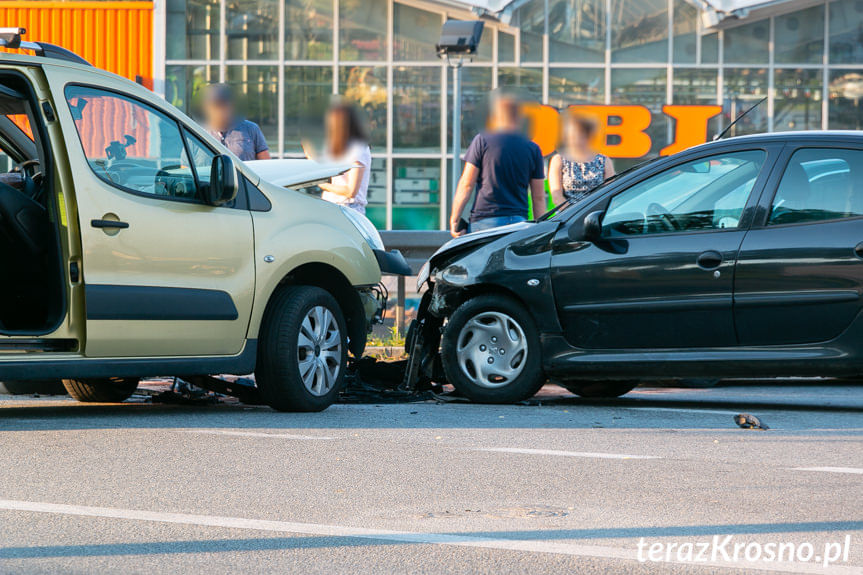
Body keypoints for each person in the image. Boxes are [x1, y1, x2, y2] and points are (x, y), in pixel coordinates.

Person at [449, 92, 546, 237]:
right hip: (518, 222)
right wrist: (541, 232)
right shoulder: (533, 148)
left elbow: (467, 184)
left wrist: (455, 218)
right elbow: (538, 197)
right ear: (519, 118)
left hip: (484, 222)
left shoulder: (482, 141)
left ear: (495, 116)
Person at [304, 102, 371, 214]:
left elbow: (351, 191)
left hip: (347, 208)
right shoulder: (341, 147)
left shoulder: (358, 149)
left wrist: (323, 185)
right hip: (334, 206)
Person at [549, 112, 613, 205]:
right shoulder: (559, 160)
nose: (575, 139)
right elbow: (556, 196)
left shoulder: (604, 161)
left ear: (588, 135)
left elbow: (609, 192)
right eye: (571, 135)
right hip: (567, 215)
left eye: (579, 134)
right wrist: (573, 214)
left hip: (597, 212)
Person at [203, 83, 271, 161]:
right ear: (207, 108)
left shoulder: (251, 129)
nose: (220, 111)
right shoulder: (197, 134)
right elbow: (186, 167)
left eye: (224, 105)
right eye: (216, 106)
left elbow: (265, 162)